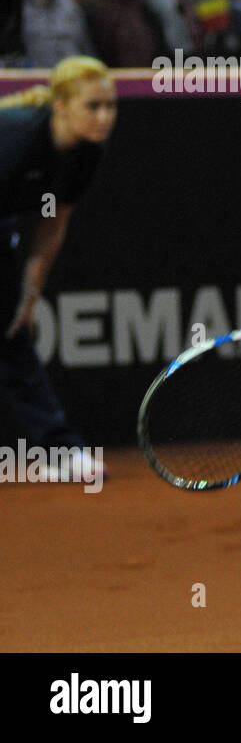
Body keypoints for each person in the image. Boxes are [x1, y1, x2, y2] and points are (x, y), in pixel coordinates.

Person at [0, 56, 114, 482]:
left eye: (110, 106)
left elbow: (53, 224)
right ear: (61, 106)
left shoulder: (86, 152)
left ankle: (59, 451)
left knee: (12, 332)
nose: (104, 117)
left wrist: (28, 297)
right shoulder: (15, 138)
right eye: (93, 106)